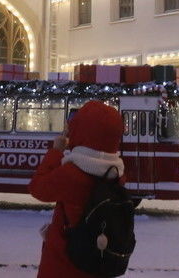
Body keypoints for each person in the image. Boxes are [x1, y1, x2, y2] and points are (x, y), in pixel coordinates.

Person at [28, 100, 126, 278]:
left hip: (65, 265)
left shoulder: (73, 173)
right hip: (97, 264)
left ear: (82, 131)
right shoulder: (117, 174)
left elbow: (38, 188)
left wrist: (57, 151)